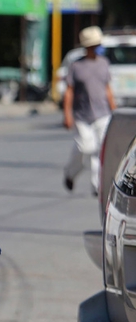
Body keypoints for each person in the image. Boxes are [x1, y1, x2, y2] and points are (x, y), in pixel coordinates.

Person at [63, 26, 116, 196]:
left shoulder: (104, 63)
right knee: (85, 147)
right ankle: (70, 173)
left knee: (100, 150)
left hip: (102, 113)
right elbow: (69, 91)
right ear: (87, 47)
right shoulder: (76, 66)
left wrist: (114, 111)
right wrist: (67, 114)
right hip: (82, 115)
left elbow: (107, 89)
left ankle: (96, 186)